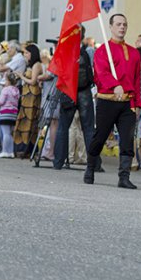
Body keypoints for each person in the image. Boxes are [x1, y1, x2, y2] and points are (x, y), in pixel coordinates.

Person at [85, 14, 141, 189]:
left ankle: (124, 177)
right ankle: (90, 168)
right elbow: (100, 73)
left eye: (124, 24)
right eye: (118, 24)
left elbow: (136, 81)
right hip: (107, 101)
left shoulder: (134, 53)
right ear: (110, 27)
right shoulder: (102, 51)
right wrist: (115, 85)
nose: (122, 27)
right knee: (99, 137)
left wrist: (137, 104)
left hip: (127, 103)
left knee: (126, 140)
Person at [53, 25, 97, 171]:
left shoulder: (65, 51)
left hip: (68, 91)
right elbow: (91, 74)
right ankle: (94, 164)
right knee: (88, 128)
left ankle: (58, 161)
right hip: (84, 92)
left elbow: (58, 71)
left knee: (63, 127)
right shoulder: (85, 53)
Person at [12, 44, 43, 158]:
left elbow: (33, 81)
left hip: (33, 97)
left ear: (32, 53)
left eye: (26, 53)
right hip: (26, 96)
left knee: (30, 122)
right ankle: (21, 147)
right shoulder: (29, 65)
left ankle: (28, 149)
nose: (24, 55)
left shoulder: (37, 65)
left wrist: (21, 76)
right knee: (23, 120)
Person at [0, 72, 20, 158]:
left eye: (5, 80)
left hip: (5, 113)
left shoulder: (5, 90)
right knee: (10, 133)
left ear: (8, 81)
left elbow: (1, 102)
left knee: (5, 133)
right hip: (13, 113)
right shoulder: (16, 90)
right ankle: (11, 151)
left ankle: (5, 151)